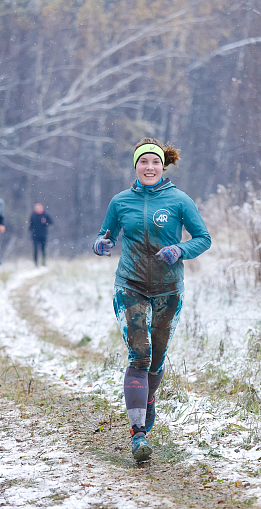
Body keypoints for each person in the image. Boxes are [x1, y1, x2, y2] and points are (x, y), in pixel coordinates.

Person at [93, 138, 211, 462]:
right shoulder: (120, 202)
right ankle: (138, 435)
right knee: (140, 354)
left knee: (157, 360)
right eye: (143, 162)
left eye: (154, 162)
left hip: (169, 290)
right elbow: (106, 235)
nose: (149, 167)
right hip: (129, 286)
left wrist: (179, 250)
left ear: (163, 166)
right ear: (136, 166)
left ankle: (146, 400)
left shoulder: (179, 201)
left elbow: (204, 238)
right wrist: (101, 245)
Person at [29, 202, 53, 266]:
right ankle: (36, 263)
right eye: (36, 207)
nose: (38, 209)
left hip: (43, 235)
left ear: (42, 207)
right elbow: (30, 225)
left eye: (39, 207)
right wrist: (30, 231)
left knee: (43, 249)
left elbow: (51, 223)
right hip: (35, 235)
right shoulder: (33, 215)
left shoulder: (45, 215)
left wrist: (45, 222)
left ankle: (44, 263)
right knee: (35, 249)